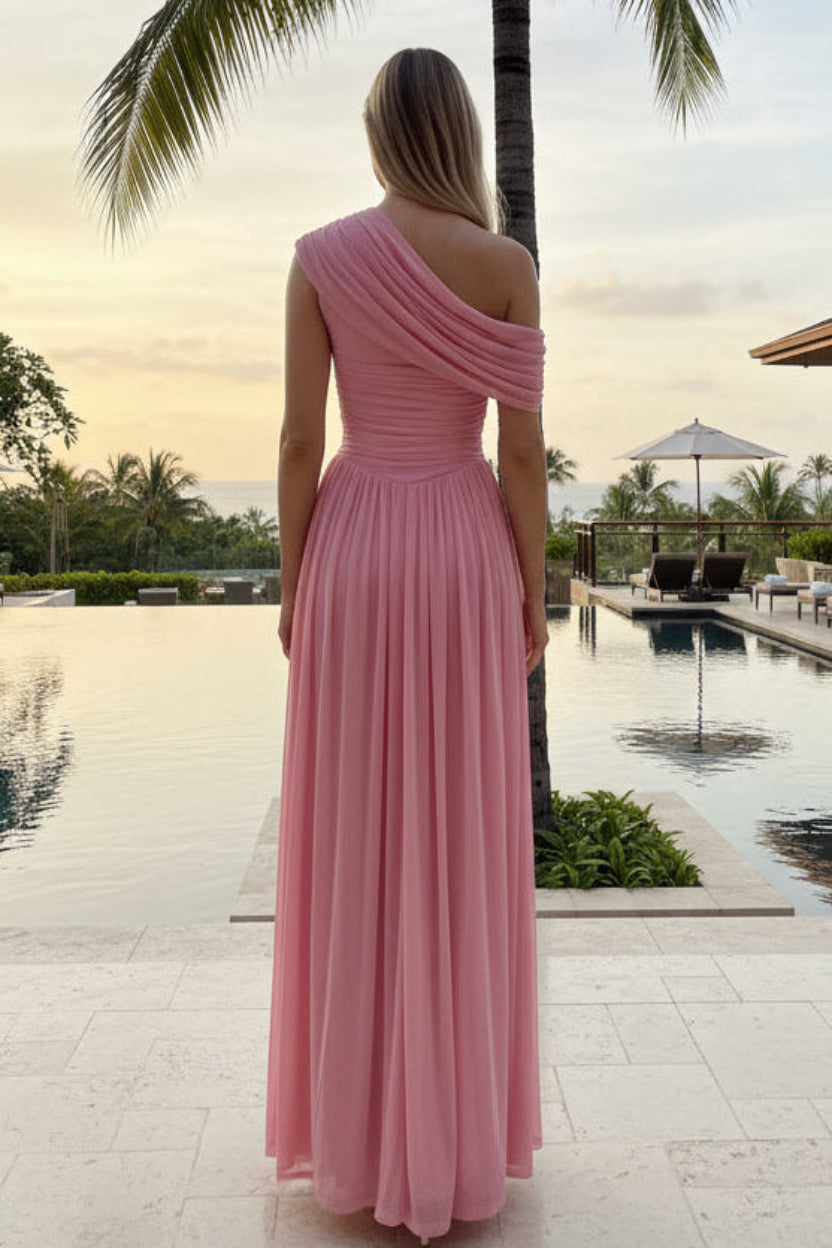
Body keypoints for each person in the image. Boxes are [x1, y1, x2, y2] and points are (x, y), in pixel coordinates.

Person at [265, 46, 548, 1245]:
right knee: (456, 834)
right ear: (464, 136)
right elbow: (526, 457)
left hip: (355, 543)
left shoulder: (321, 257)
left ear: (380, 132)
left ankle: (360, 1134)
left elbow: (292, 440)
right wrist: (533, 593)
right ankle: (450, 1137)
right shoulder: (505, 266)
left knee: (355, 831)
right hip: (460, 550)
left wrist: (292, 584)